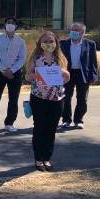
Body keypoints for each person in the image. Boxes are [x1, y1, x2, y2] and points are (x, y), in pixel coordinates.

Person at [25, 32, 70, 171]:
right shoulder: (35, 58)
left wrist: (66, 75)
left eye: (51, 41)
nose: (48, 43)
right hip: (39, 98)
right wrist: (33, 75)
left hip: (57, 99)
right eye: (45, 41)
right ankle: (38, 159)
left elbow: (65, 78)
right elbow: (27, 76)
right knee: (39, 128)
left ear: (56, 42)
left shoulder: (60, 58)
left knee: (51, 129)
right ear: (40, 43)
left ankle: (47, 158)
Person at [0, 17, 27, 133]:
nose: (10, 25)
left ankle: (9, 123)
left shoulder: (20, 41)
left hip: (14, 73)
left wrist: (12, 70)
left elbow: (22, 58)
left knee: (13, 99)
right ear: (5, 25)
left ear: (16, 26)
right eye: (8, 23)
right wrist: (3, 70)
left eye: (13, 23)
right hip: (0, 72)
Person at [60, 22, 98, 129]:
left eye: (77, 30)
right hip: (67, 73)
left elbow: (93, 61)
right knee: (66, 97)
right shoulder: (63, 43)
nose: (74, 32)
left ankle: (78, 120)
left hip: (83, 74)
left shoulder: (90, 44)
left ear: (83, 33)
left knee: (82, 99)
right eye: (72, 30)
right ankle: (66, 120)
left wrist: (94, 75)